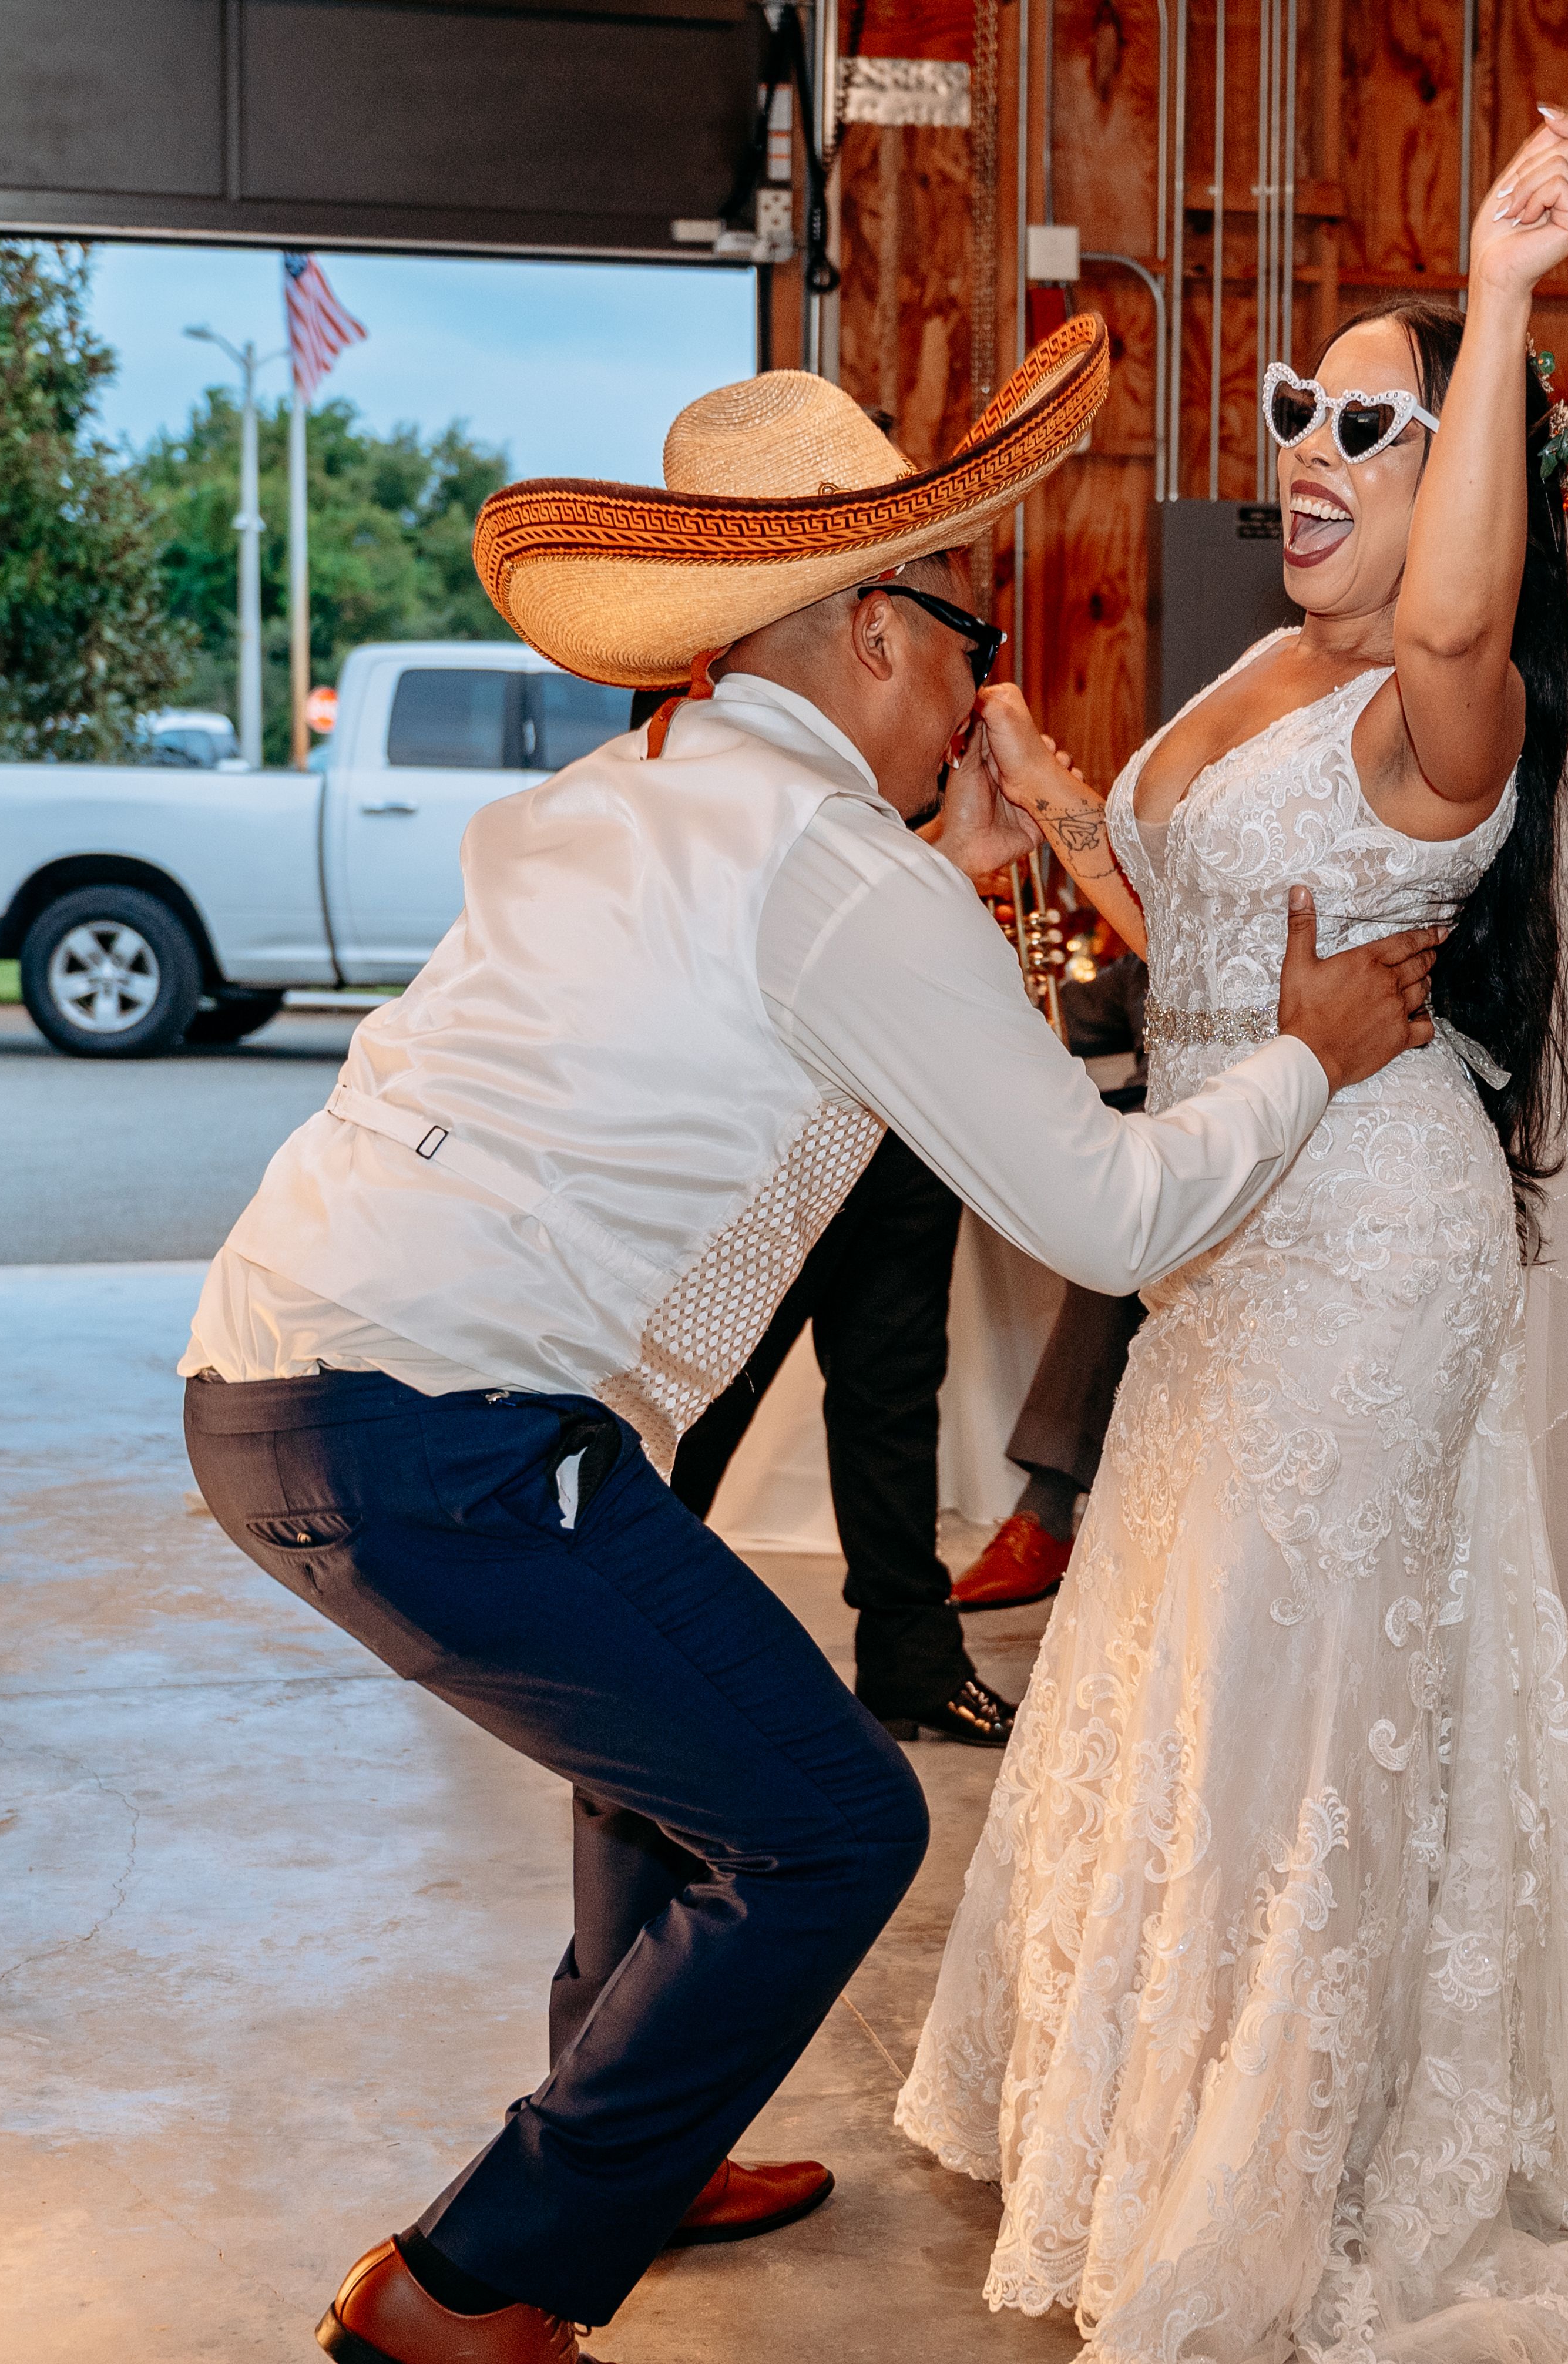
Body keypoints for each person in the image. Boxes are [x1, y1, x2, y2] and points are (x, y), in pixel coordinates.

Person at [177, 318, 1449, 2364]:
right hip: (440, 1434)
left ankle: (637, 2144)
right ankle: (468, 2282)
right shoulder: (838, 874)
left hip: (267, 1391)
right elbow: (1115, 1216)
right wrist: (1306, 1054)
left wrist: (949, 878)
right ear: (872, 633)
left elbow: (746, 988)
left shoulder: (630, 788)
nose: (977, 693)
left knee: (657, 1737)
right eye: (965, 638)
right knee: (834, 1824)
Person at [897, 110, 1568, 2361]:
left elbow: (1460, 602)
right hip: (1216, 1233)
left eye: (1373, 425)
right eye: (1299, 408)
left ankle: (1281, 2157)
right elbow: (1198, 933)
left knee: (1301, 1694)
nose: (1308, 449)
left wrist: (1504, 290)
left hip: (1365, 1246)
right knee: (1184, 1659)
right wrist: (1058, 814)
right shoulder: (1262, 665)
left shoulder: (1449, 698)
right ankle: (1148, 2090)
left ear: (1465, 478)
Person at [669, 1132, 1018, 1745]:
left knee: (895, 1384)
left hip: (916, 1112)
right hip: (790, 1115)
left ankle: (910, 1656)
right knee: (713, 1383)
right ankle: (621, 1653)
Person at [953, 942, 1149, 1612]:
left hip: (1277, 1155)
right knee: (1113, 1227)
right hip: (1169, 1162)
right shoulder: (1147, 959)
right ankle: (1048, 1510)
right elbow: (1065, 1015)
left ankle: (1046, 1510)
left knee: (1124, 1237)